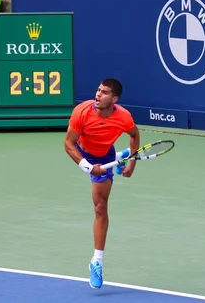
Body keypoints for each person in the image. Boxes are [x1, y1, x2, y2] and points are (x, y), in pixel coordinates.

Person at [64, 79, 140, 288]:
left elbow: (134, 134)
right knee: (99, 196)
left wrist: (132, 163)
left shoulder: (123, 117)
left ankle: (96, 261)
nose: (98, 95)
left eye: (104, 92)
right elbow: (68, 144)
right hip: (83, 152)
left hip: (104, 155)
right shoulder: (82, 112)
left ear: (114, 99)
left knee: (100, 207)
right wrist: (88, 166)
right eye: (98, 90)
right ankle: (120, 155)